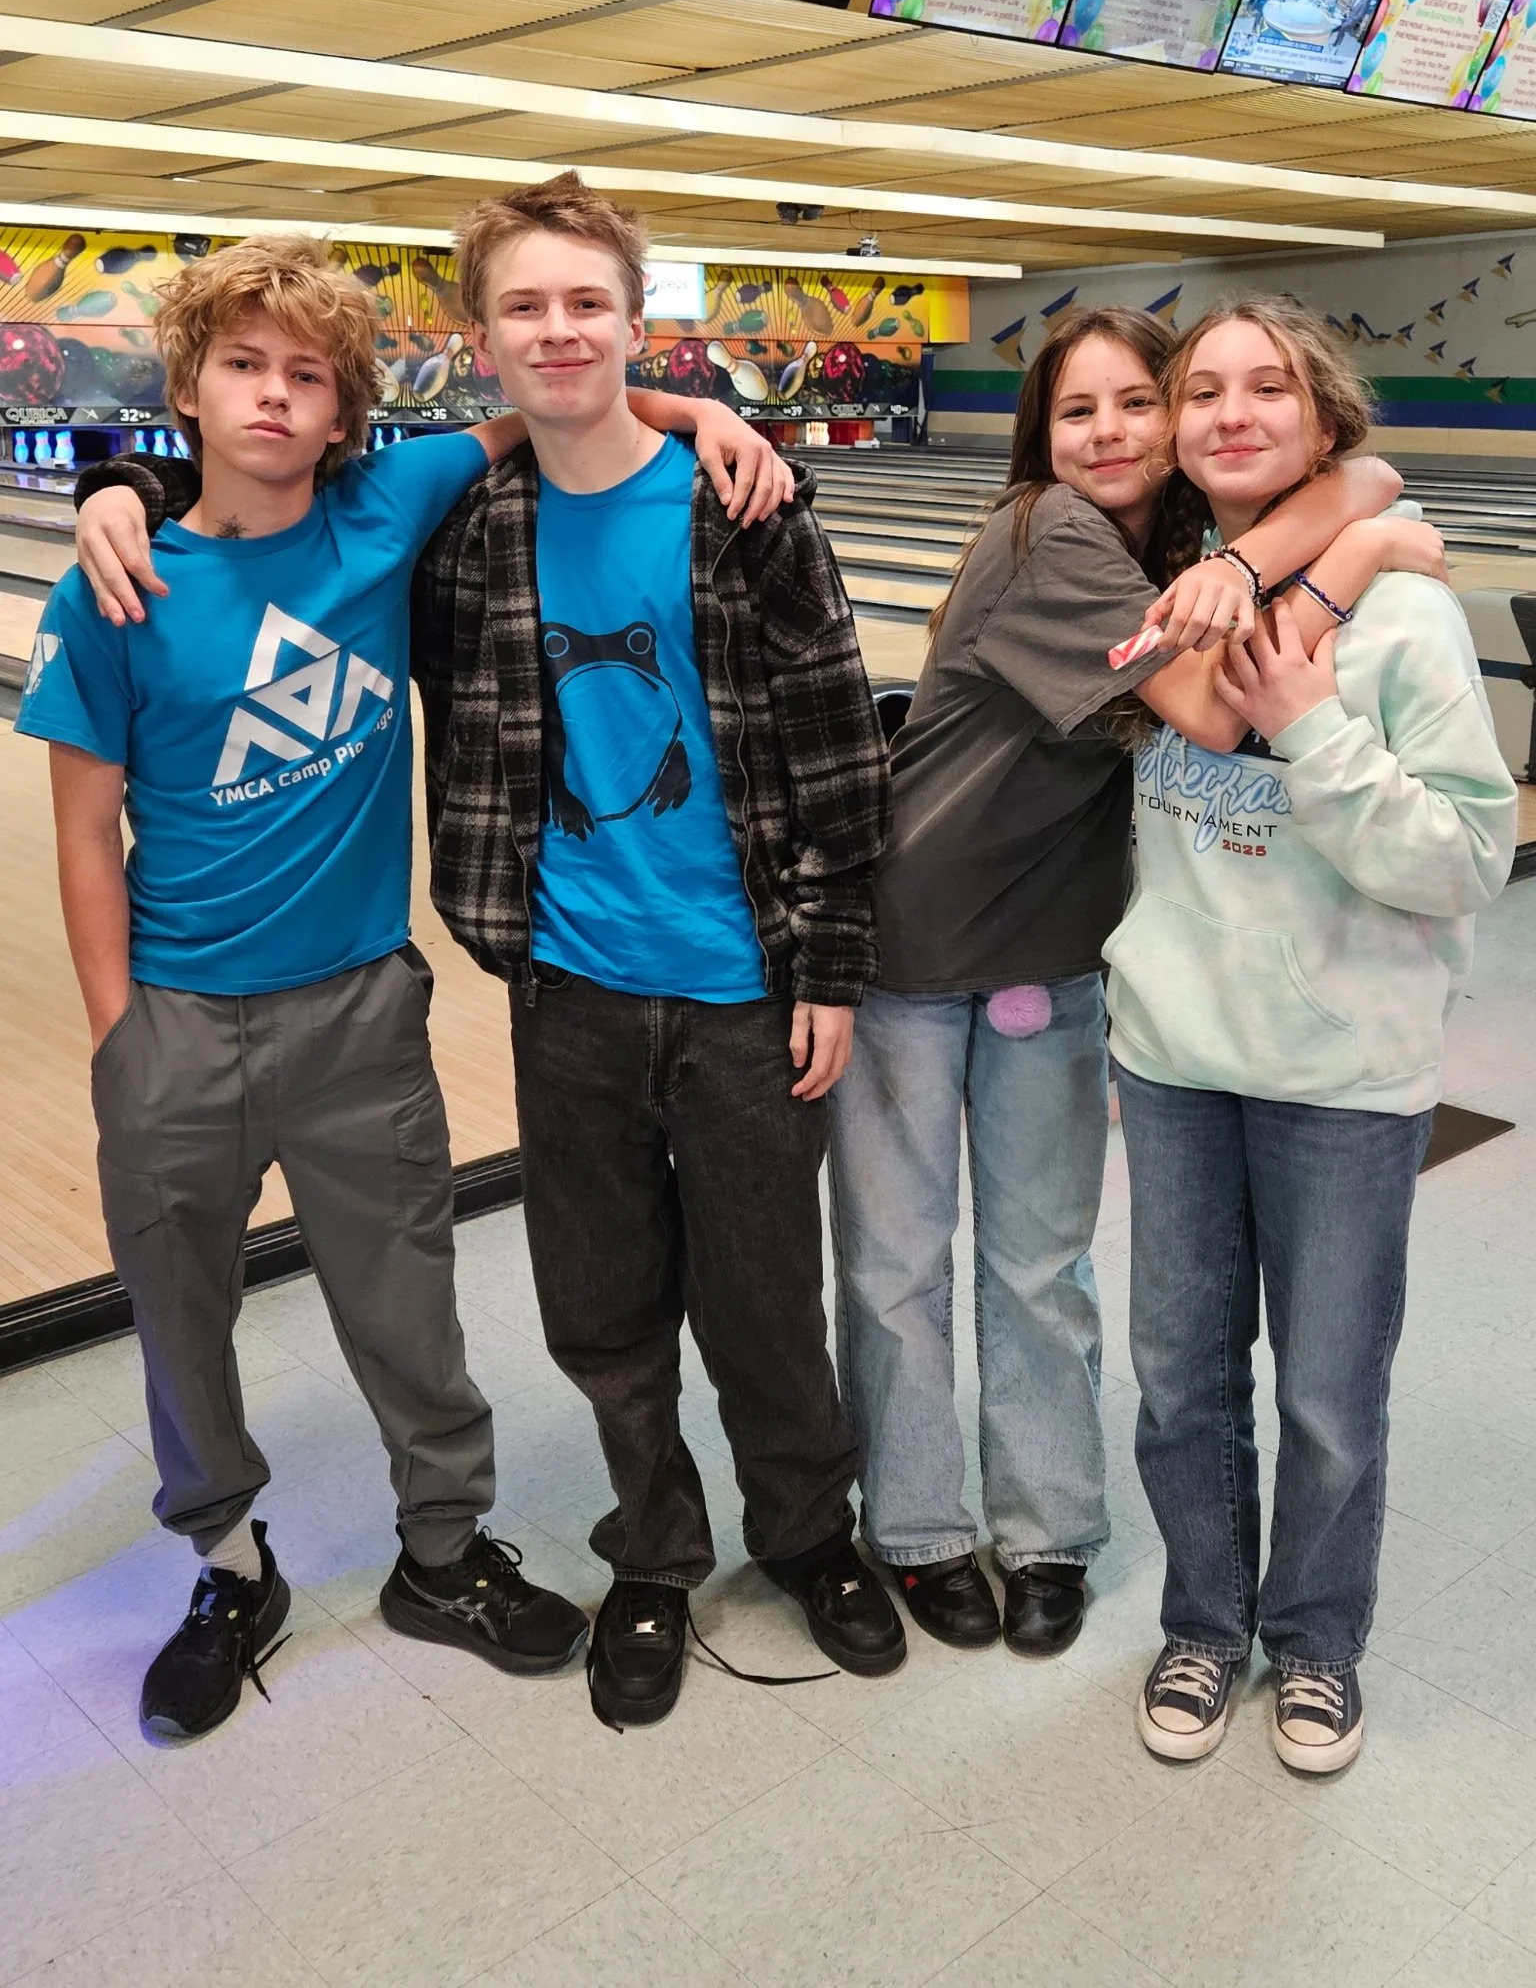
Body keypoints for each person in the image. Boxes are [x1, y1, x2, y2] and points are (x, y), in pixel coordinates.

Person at [45, 232, 787, 1743]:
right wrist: (124, 1042)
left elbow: (543, 407)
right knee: (180, 1317)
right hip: (177, 1016)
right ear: (188, 387)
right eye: (242, 366)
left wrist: (707, 411)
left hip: (357, 1011)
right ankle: (229, 1564)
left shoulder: (394, 506)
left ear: (343, 414)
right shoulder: (114, 590)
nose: (270, 395)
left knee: (411, 1310)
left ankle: (440, 1560)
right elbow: (81, 834)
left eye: (304, 376)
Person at [827, 302, 1447, 1662]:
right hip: (914, 947)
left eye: (1135, 404)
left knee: (1042, 1265)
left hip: (1056, 952)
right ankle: (923, 1528)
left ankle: (1047, 1528)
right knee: (895, 1265)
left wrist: (1346, 522)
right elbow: (1217, 711)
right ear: (1039, 438)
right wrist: (1358, 550)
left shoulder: (1171, 552)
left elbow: (1372, 467)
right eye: (1075, 410)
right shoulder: (1048, 531)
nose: (1108, 432)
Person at [400, 172, 907, 1729]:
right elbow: (254, 499)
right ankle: (655, 1548)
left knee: (764, 1291)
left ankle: (809, 1532)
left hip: (749, 979)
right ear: (482, 337)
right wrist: (127, 499)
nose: (558, 329)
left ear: (637, 321)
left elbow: (835, 747)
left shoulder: (744, 501)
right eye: (525, 305)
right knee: (602, 1296)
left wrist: (828, 960)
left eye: (587, 301)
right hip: (570, 984)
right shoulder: (465, 522)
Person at [1107, 298, 1517, 1773]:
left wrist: (1323, 734)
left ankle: (1317, 1644)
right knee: (1182, 1380)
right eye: (1200, 388)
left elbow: (1473, 858)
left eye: (1265, 386)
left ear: (1321, 418)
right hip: (1171, 1060)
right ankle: (1205, 1627)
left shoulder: (1408, 619)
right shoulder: (1156, 591)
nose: (1229, 412)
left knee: (1331, 1392)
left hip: (1345, 1076)